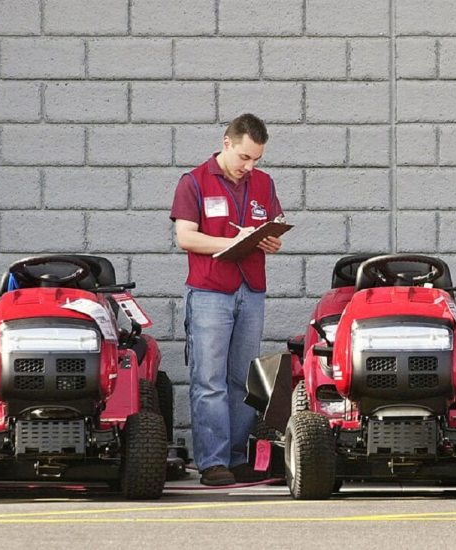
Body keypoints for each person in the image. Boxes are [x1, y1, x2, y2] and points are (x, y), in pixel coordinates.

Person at [170, 113, 283, 486]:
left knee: (241, 380)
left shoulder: (263, 184)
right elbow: (186, 237)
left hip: (250, 291)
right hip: (209, 292)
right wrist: (230, 243)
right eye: (244, 158)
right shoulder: (194, 182)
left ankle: (236, 457)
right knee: (209, 380)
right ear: (227, 143)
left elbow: (275, 229)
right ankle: (213, 462)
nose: (248, 167)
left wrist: (270, 240)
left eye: (256, 160)